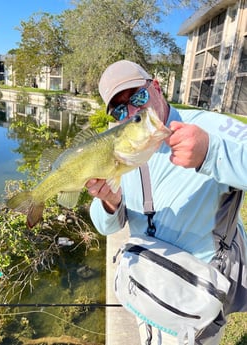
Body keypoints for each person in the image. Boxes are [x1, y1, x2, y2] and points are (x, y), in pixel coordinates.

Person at [86, 60, 247, 345]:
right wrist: (110, 204)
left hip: (196, 296)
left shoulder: (210, 127)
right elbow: (104, 225)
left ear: (157, 87)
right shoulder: (120, 146)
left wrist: (212, 153)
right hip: (145, 285)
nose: (133, 112)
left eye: (138, 97)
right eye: (121, 109)